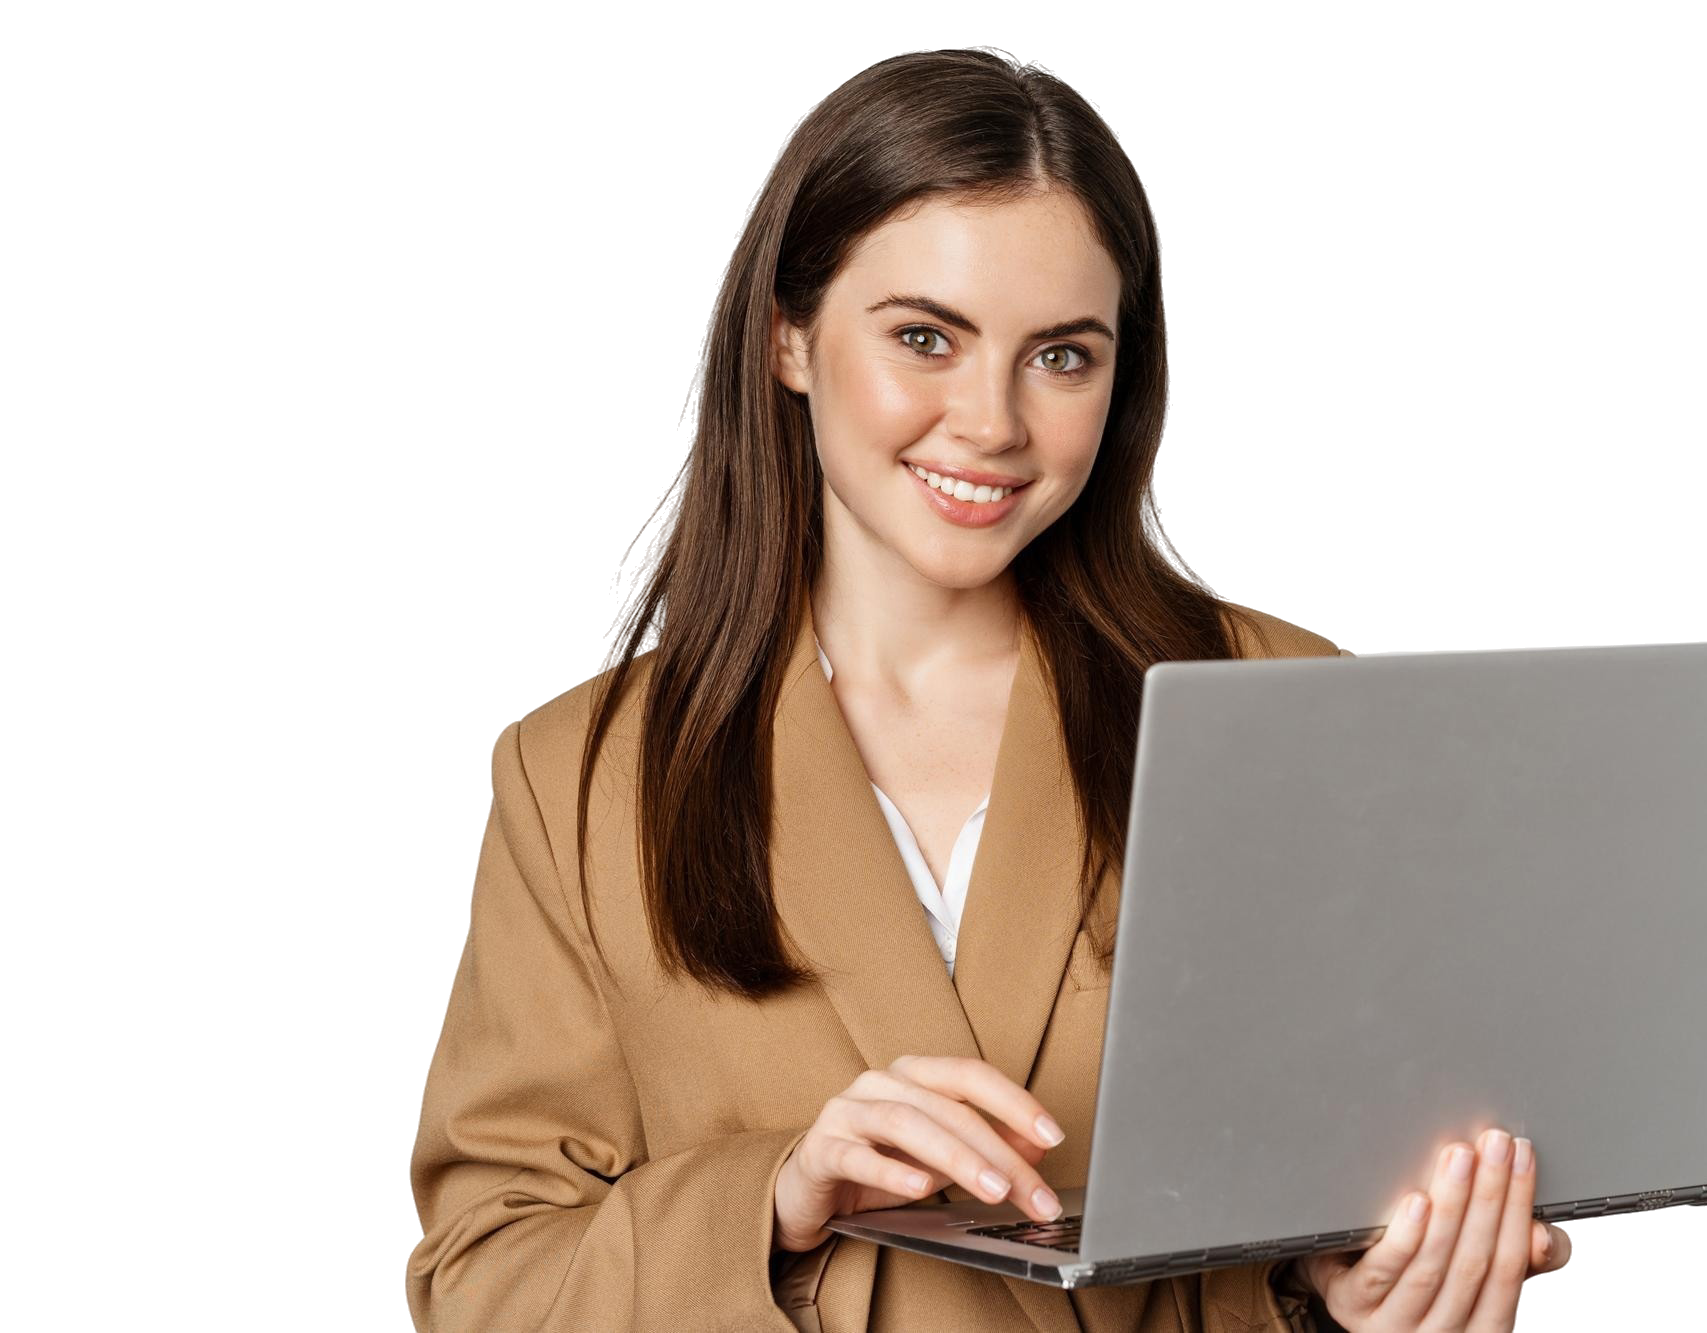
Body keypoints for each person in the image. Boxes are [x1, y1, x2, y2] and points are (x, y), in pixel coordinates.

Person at [399, 46, 1578, 1331]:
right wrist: (778, 1202)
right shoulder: (575, 778)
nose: (991, 423)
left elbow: (1363, 1189)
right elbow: (477, 1282)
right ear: (787, 336)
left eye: (1060, 357)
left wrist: (1367, 1284)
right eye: (923, 337)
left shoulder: (1289, 705)